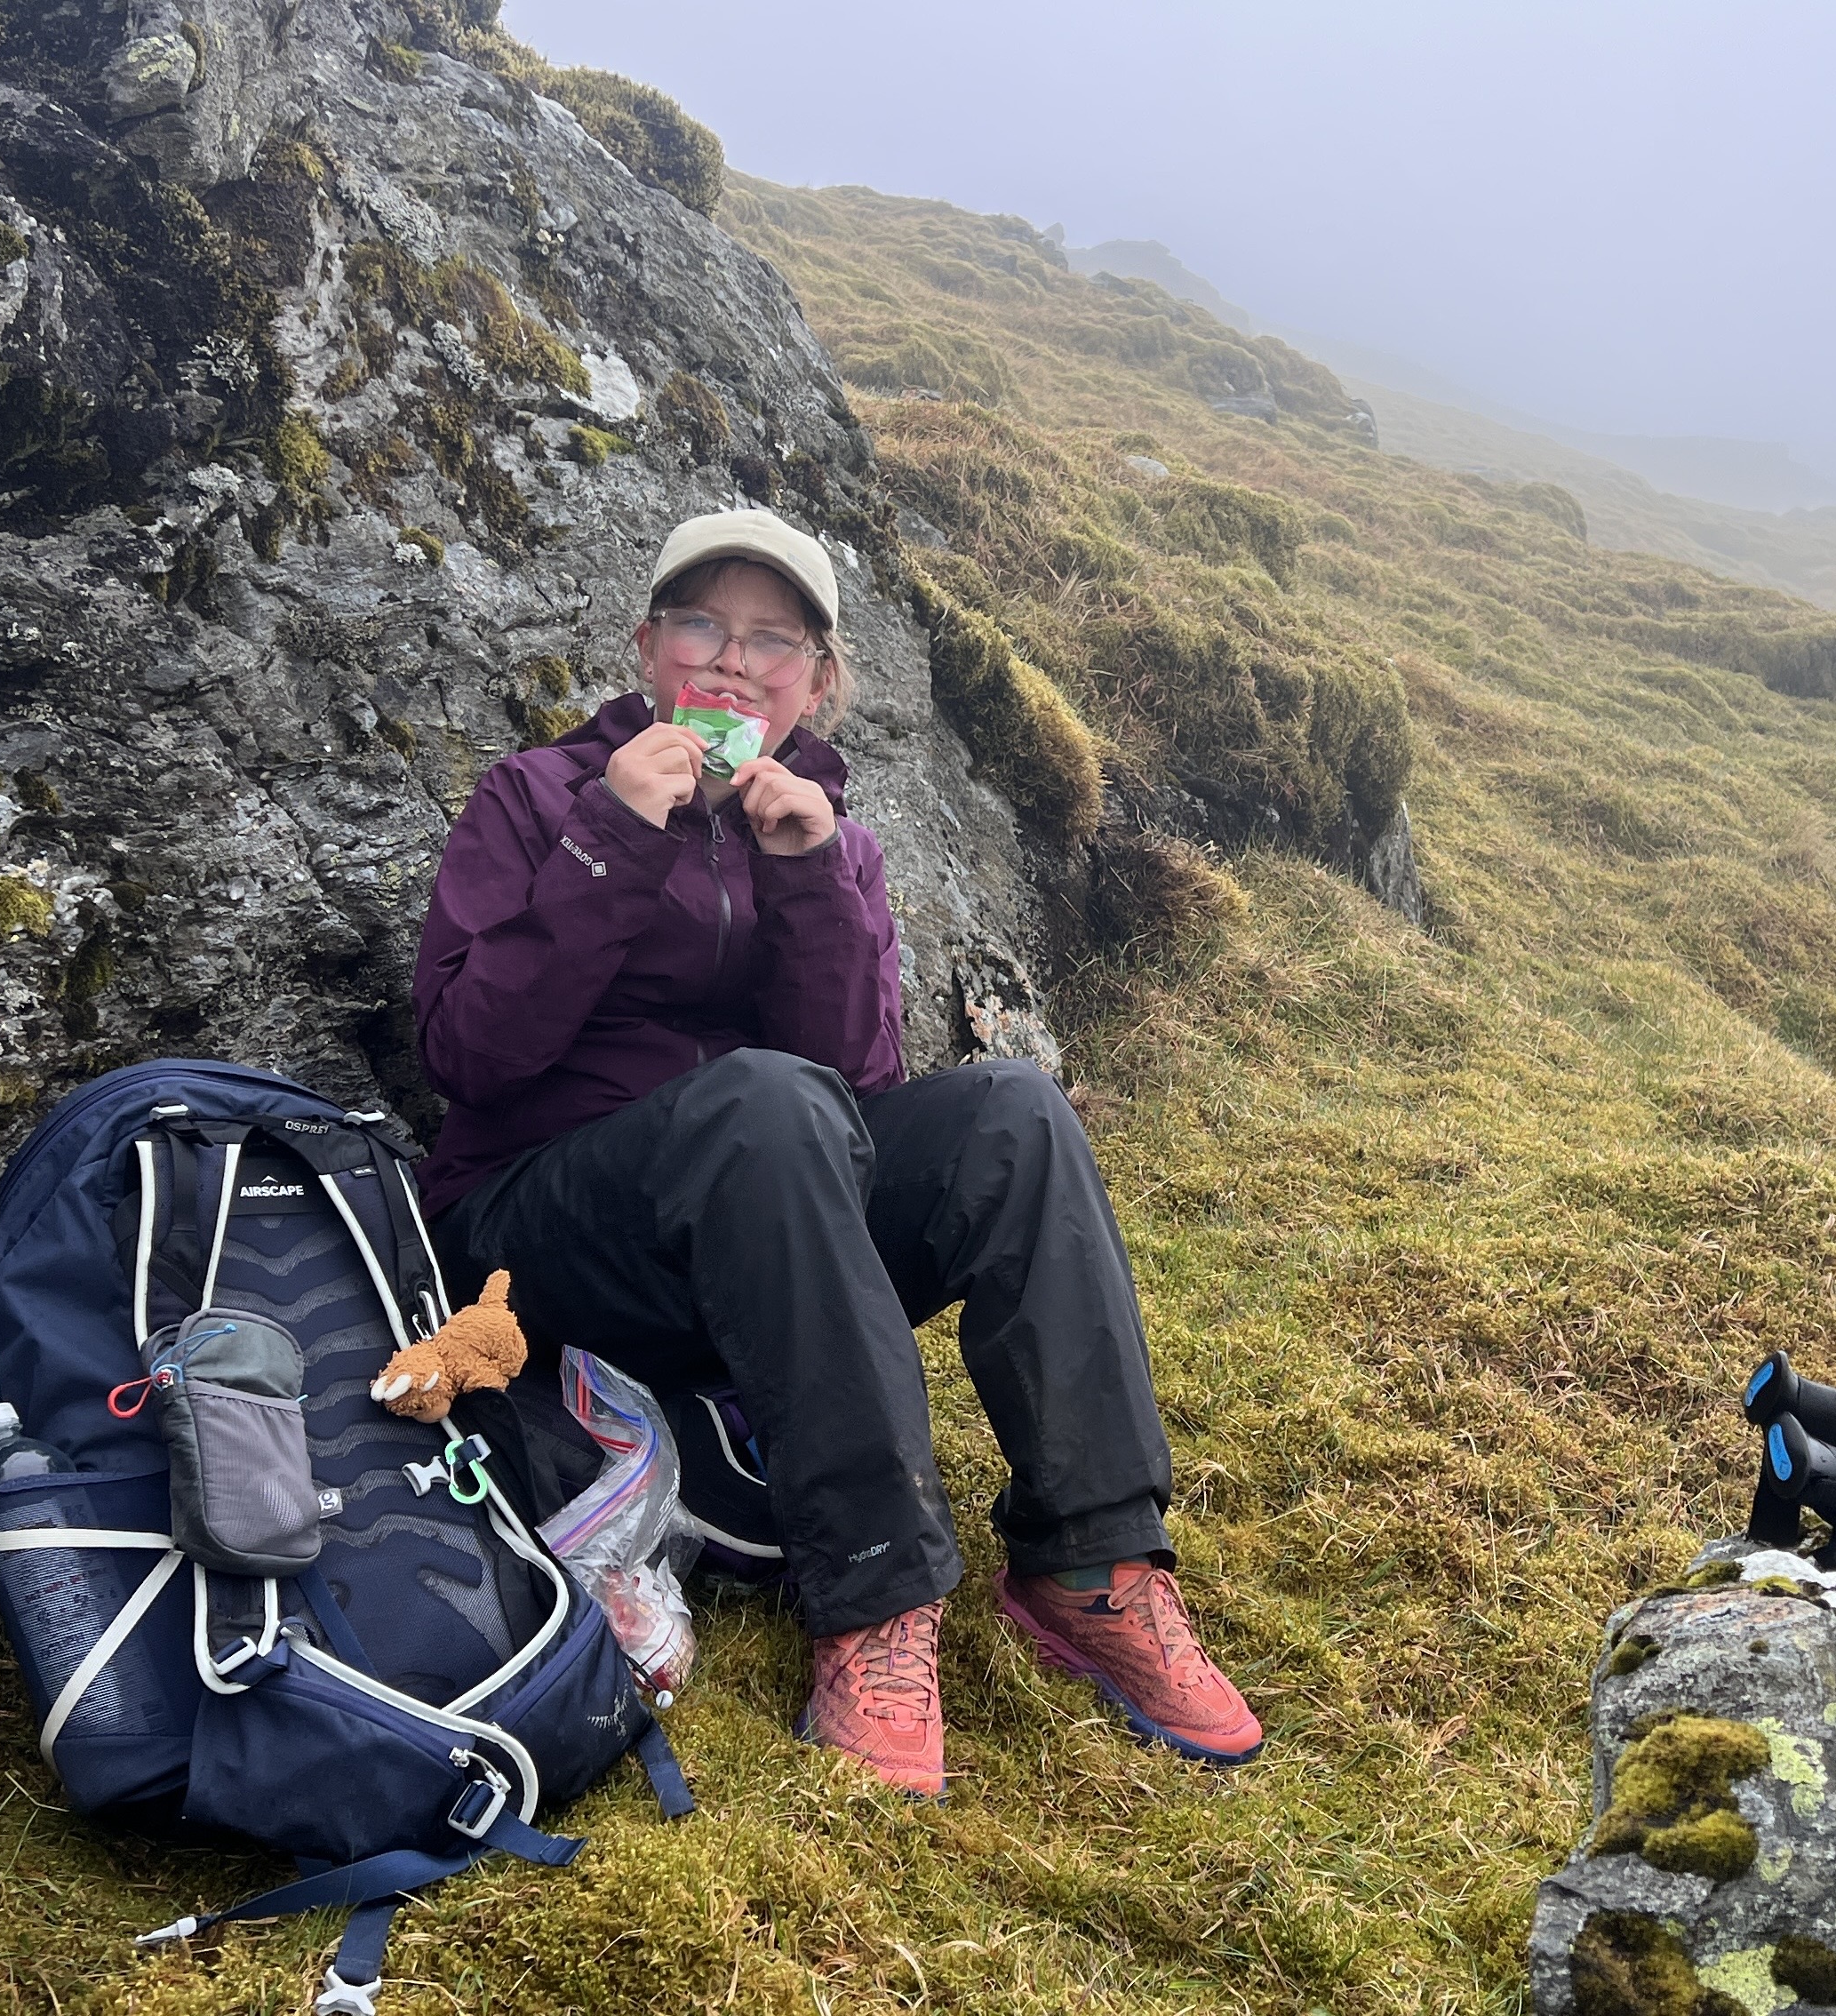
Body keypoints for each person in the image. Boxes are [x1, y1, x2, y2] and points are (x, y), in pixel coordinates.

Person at [410, 508, 1260, 1796]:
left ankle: (1092, 1562)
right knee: (761, 1103)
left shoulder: (830, 838)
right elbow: (469, 1058)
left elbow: (856, 1097)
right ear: (648, 647)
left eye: (773, 641)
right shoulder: (537, 800)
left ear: (816, 682)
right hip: (543, 1238)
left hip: (766, 1234)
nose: (732, 660)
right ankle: (873, 1598)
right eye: (701, 624)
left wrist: (810, 877)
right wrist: (615, 839)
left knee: (1013, 1113)